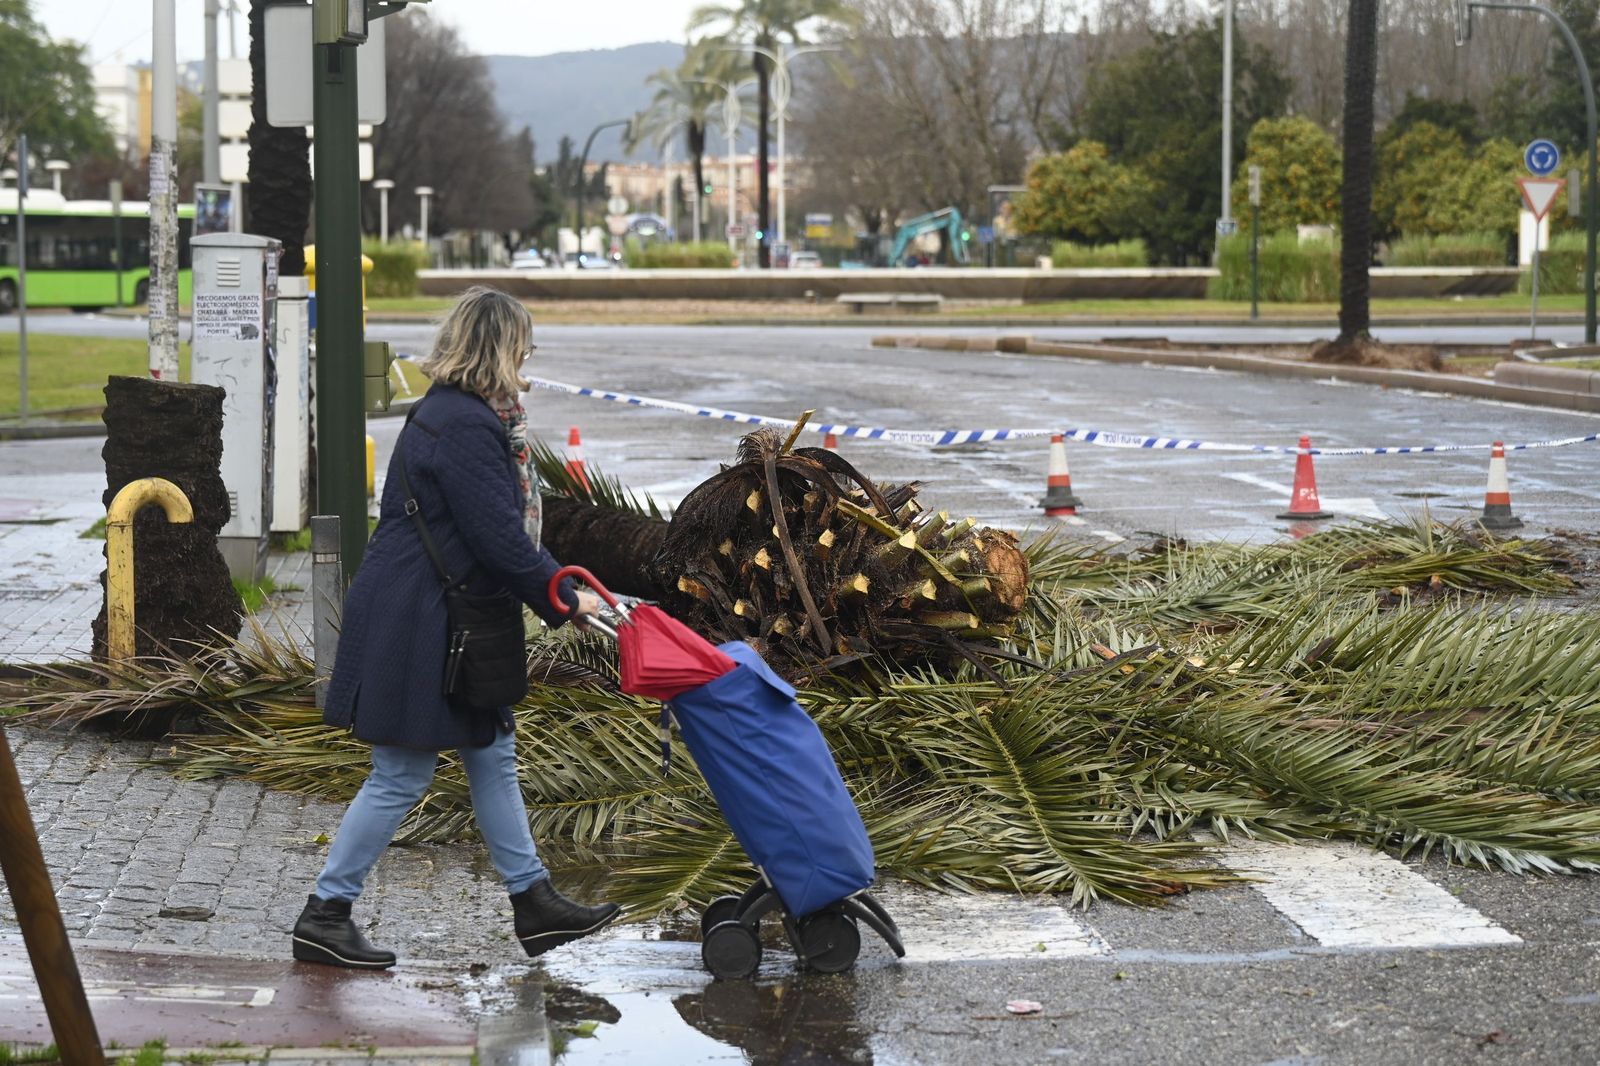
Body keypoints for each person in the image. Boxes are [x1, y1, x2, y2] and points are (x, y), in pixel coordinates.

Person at [292, 286, 619, 970]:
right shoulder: (468, 425)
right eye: (523, 343)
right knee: (401, 773)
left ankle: (534, 903)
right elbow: (498, 537)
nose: (529, 355)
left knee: (492, 750)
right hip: (426, 617)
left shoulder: (448, 412)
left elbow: (489, 534)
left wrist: (559, 583)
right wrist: (563, 597)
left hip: (436, 609)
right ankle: (326, 912)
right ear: (498, 347)